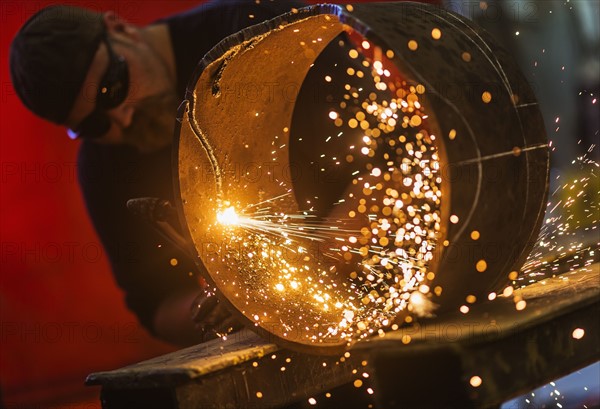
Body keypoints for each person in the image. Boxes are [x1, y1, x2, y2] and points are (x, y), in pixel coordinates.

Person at [9, 0, 305, 346]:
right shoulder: (105, 169)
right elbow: (155, 302)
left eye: (112, 89)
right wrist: (216, 311)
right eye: (94, 124)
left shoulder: (255, 28)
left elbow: (380, 156)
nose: (122, 118)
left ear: (120, 29)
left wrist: (326, 258)